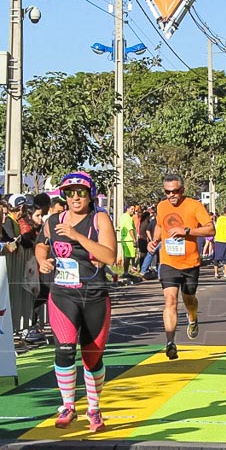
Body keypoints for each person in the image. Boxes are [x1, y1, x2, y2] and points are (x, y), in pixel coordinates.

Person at [35, 172, 116, 431]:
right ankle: (67, 405)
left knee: (92, 358)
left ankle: (94, 408)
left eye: (81, 192)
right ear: (63, 195)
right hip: (63, 295)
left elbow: (110, 256)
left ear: (90, 194)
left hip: (94, 295)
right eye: (70, 192)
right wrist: (42, 261)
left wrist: (76, 236)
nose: (76, 197)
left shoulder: (99, 218)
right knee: (65, 350)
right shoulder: (53, 220)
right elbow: (41, 244)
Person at [147, 174, 214, 359]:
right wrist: (154, 241)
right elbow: (160, 226)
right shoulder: (161, 206)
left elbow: (210, 229)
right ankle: (170, 342)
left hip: (190, 262)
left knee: (189, 299)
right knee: (170, 300)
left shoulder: (194, 206)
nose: (171, 195)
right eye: (167, 192)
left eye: (175, 191)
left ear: (182, 190)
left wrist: (187, 231)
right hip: (168, 261)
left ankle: (193, 318)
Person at [212, 210, 226, 279]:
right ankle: (225, 274)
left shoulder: (219, 219)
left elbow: (215, 227)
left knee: (216, 258)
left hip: (217, 239)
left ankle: (216, 273)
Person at [117, 205, 139, 276]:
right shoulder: (128, 218)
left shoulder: (123, 216)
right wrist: (134, 239)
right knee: (128, 256)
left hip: (124, 239)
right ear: (127, 209)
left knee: (128, 256)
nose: (133, 210)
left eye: (134, 209)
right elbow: (130, 229)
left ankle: (126, 271)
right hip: (129, 240)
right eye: (131, 209)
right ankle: (126, 272)